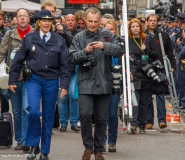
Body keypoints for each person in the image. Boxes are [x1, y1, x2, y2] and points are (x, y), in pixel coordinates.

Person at [9, 9, 70, 160]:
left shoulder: (58, 40)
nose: (47, 23)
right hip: (34, 79)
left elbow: (64, 65)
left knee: (49, 116)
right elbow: (17, 60)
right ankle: (33, 145)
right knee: (34, 111)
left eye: (49, 21)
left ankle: (45, 151)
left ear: (52, 22)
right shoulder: (30, 39)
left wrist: (64, 85)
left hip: (51, 81)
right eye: (44, 20)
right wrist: (12, 80)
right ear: (38, 22)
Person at [69, 7, 123, 160]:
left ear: (99, 21)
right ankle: (88, 147)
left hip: (104, 82)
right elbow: (71, 58)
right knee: (85, 115)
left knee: (101, 118)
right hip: (86, 81)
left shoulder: (107, 35)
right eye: (90, 21)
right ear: (85, 20)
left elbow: (120, 50)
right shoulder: (79, 37)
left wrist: (105, 46)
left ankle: (98, 150)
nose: (93, 24)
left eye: (95, 21)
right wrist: (85, 51)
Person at [0, 8, 32, 151]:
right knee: (17, 111)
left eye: (24, 16)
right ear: (16, 19)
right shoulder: (9, 35)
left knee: (27, 109)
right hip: (13, 79)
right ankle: (20, 140)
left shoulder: (34, 34)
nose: (22, 18)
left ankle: (27, 139)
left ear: (28, 18)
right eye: (19, 16)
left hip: (30, 78)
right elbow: (0, 56)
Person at [145, 14, 176, 129]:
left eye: (155, 20)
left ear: (157, 22)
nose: (153, 22)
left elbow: (170, 52)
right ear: (147, 22)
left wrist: (172, 65)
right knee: (147, 95)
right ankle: (149, 121)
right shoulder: (144, 35)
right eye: (151, 20)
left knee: (160, 93)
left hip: (160, 67)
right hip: (146, 67)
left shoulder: (163, 35)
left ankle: (162, 120)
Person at [128, 18, 157, 134]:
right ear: (130, 28)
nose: (135, 28)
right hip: (134, 73)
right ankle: (134, 123)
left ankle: (142, 124)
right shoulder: (128, 41)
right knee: (135, 100)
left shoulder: (147, 39)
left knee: (145, 101)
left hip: (146, 73)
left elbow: (155, 55)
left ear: (141, 28)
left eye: (137, 26)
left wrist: (147, 50)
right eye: (133, 26)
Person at [58, 14, 80, 133]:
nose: (70, 22)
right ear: (64, 21)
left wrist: (65, 32)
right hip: (61, 70)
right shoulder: (57, 33)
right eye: (68, 20)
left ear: (76, 22)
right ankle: (63, 122)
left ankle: (74, 122)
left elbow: (73, 44)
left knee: (73, 95)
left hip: (74, 69)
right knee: (62, 97)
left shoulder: (79, 34)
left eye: (72, 20)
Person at [102, 20, 121, 153]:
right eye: (107, 29)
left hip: (115, 81)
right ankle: (102, 141)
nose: (109, 31)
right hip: (102, 81)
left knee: (112, 113)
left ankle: (112, 141)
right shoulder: (100, 44)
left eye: (112, 29)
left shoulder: (119, 44)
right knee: (102, 114)